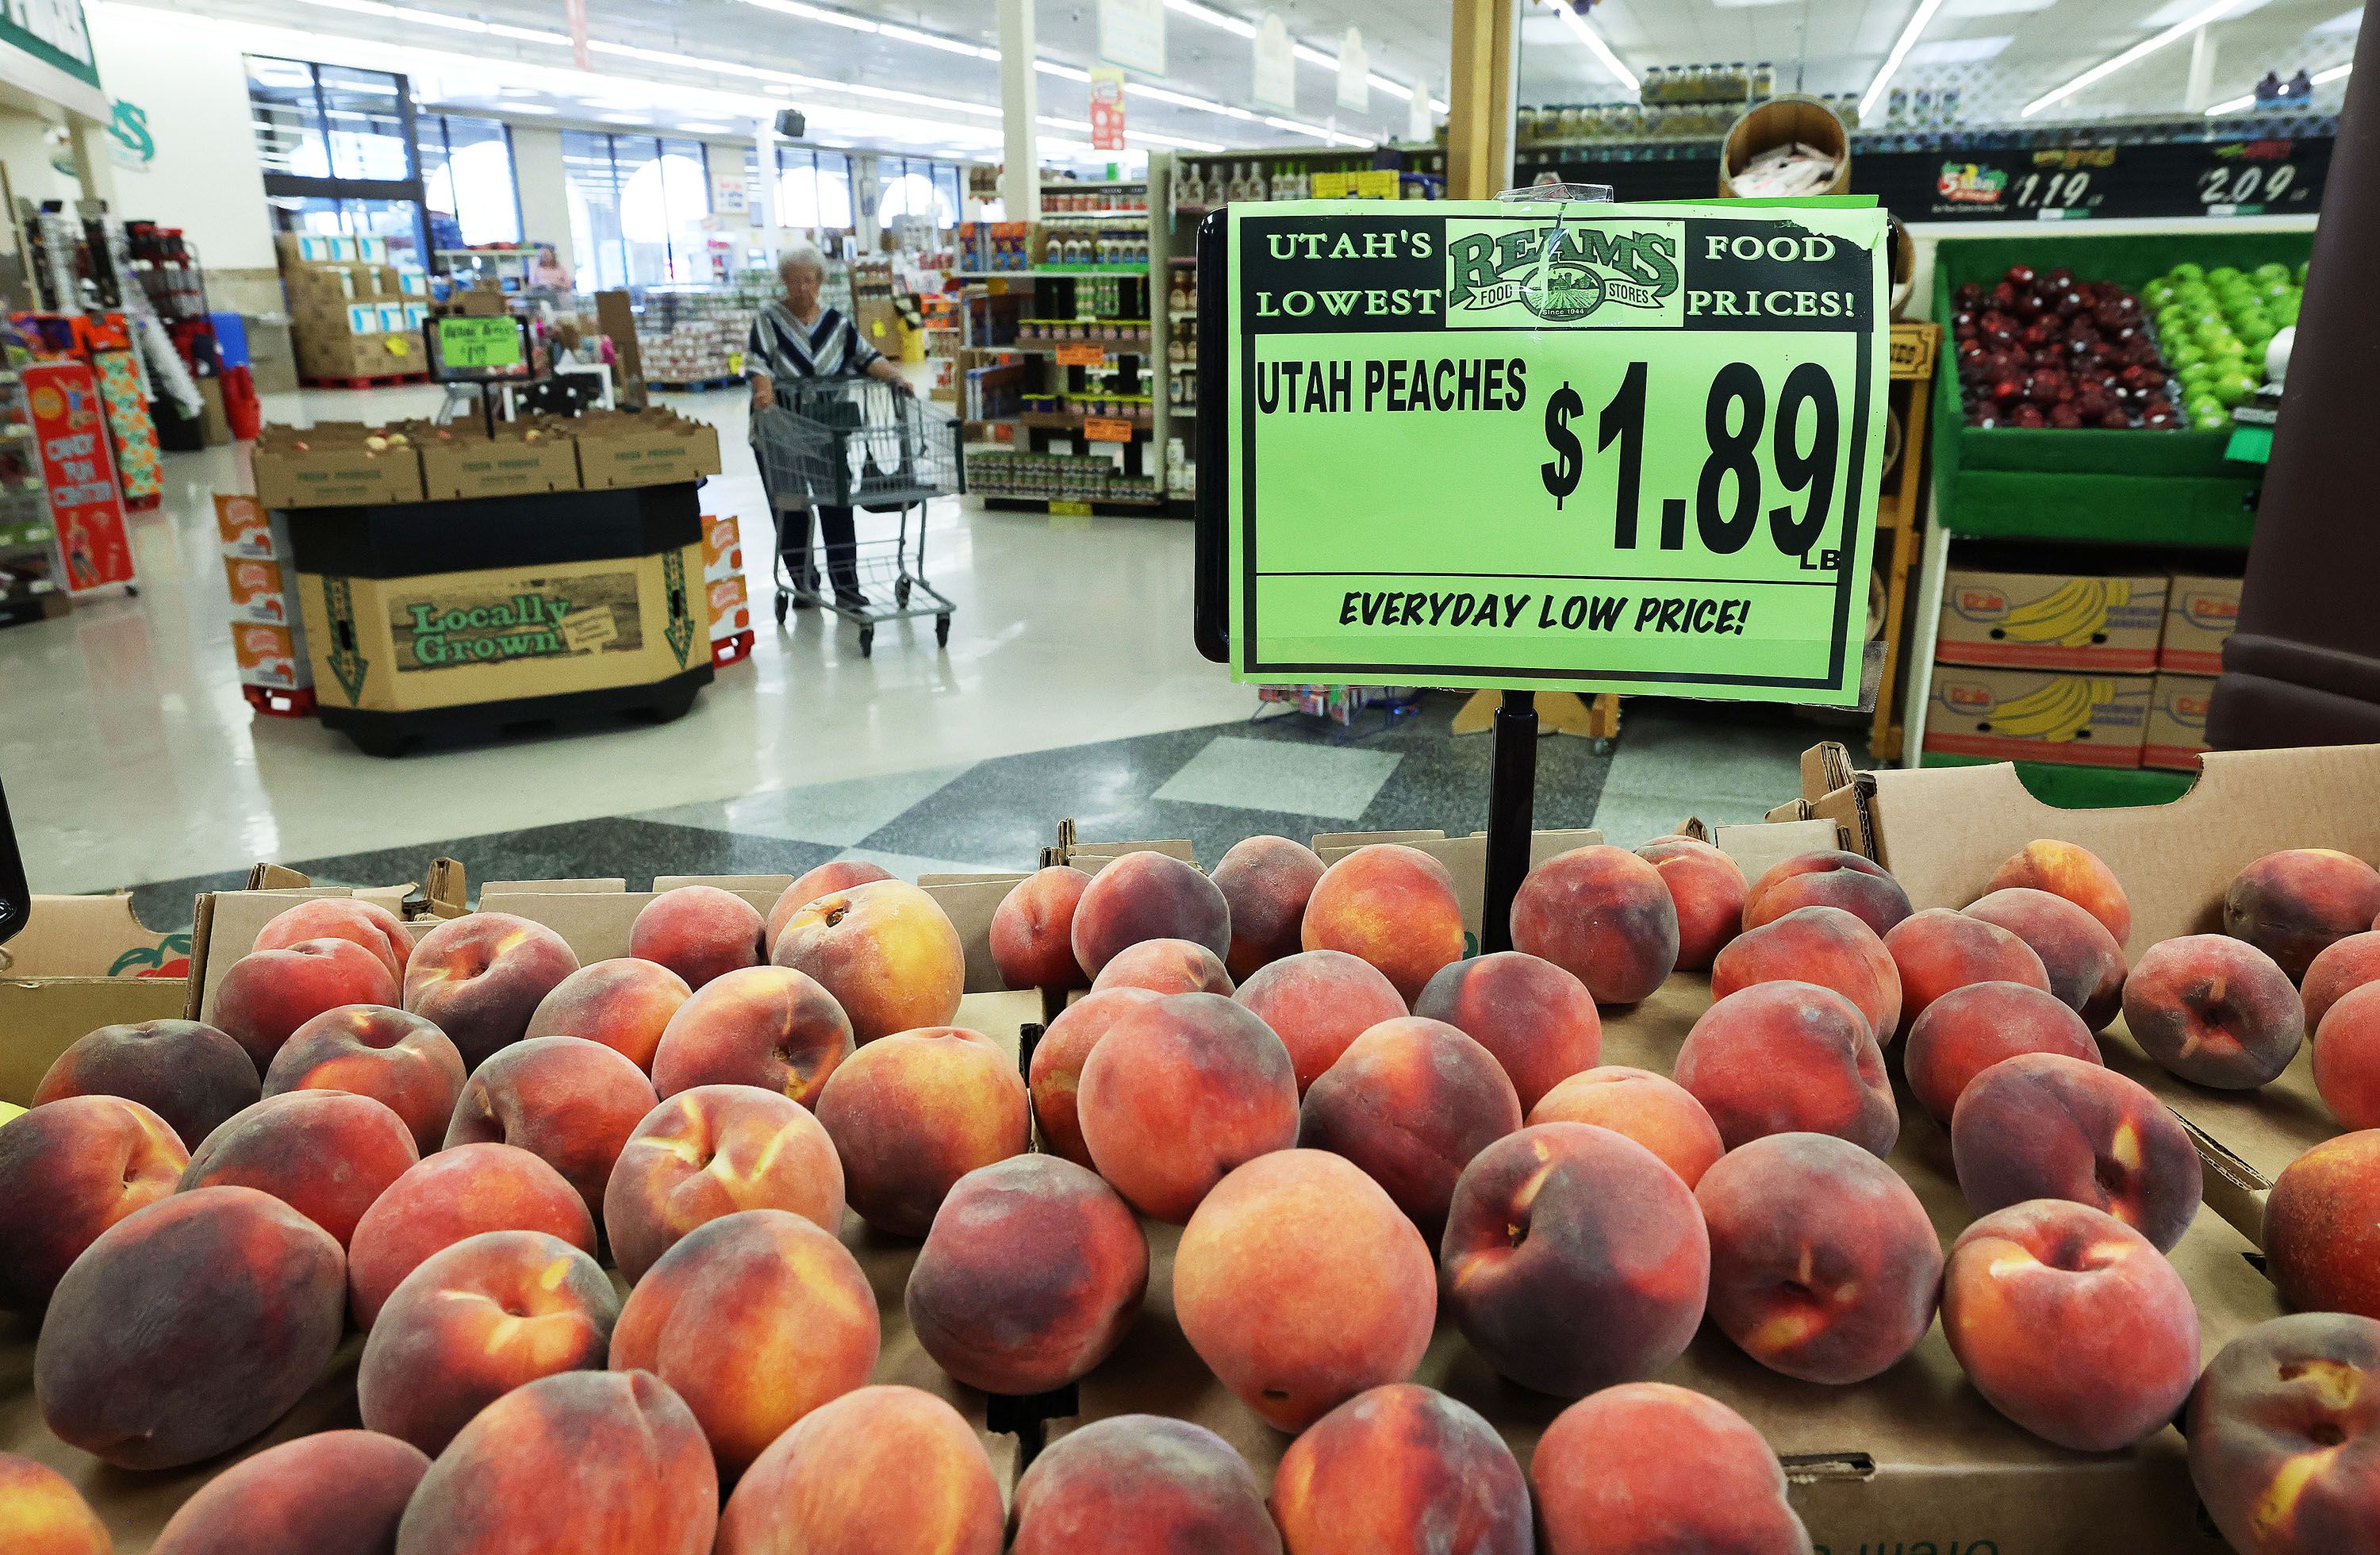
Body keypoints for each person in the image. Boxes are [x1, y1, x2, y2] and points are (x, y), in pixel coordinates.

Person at [746, 243, 912, 611]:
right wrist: (764, 388)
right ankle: (805, 584)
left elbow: (866, 355)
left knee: (836, 506)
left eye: (809, 280)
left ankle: (847, 587)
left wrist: (895, 377)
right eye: (794, 281)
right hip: (780, 432)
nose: (803, 288)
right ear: (783, 283)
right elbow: (757, 363)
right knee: (791, 509)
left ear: (820, 281)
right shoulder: (768, 320)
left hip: (827, 432)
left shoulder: (836, 323)